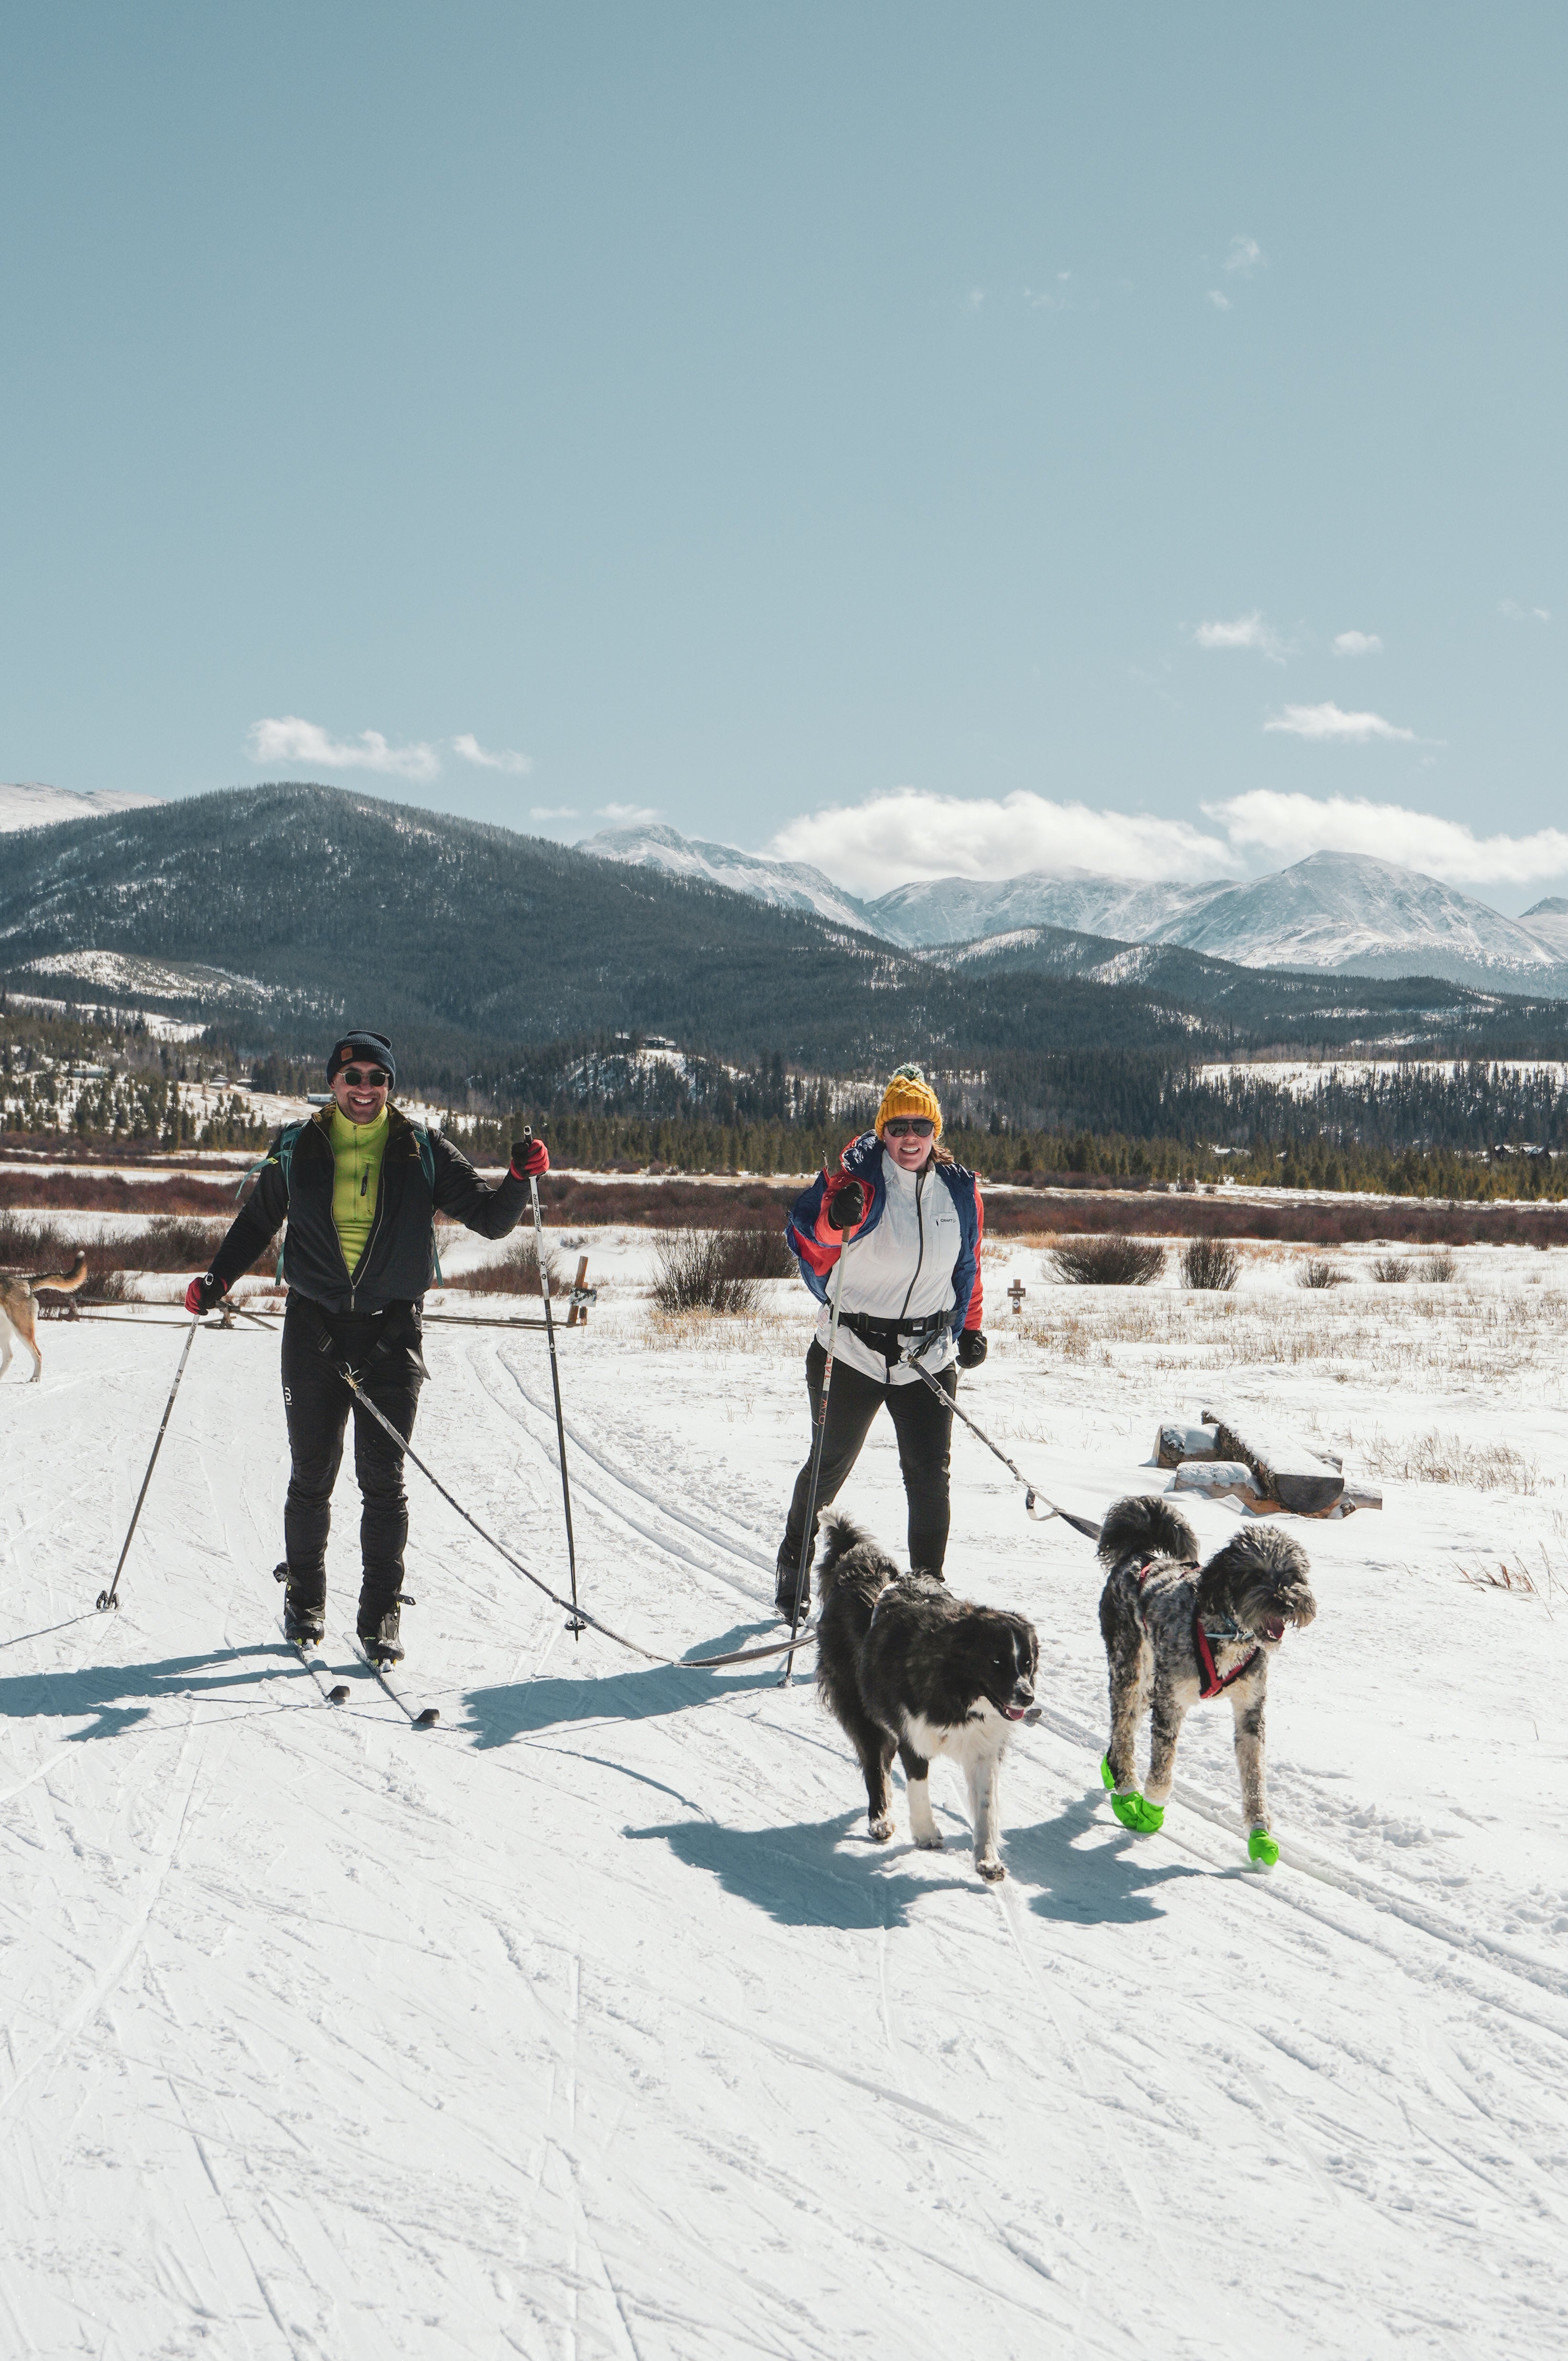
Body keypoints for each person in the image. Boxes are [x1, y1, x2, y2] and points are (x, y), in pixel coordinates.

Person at [185, 1029, 549, 1662]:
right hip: (313, 1332)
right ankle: (304, 1605)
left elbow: (491, 1219)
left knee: (384, 1481)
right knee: (312, 1475)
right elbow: (259, 1221)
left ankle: (380, 1616)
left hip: (392, 1335)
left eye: (377, 1079)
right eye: (353, 1077)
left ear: (391, 1086)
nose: (364, 1089)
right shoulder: (299, 1145)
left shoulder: (422, 1148)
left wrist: (518, 1178)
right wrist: (215, 1281)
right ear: (333, 1081)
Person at [776, 1063, 985, 1617]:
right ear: (882, 1131)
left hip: (926, 1358)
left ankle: (928, 1595)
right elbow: (813, 1234)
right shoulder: (859, 1182)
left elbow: (966, 1264)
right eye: (897, 1128)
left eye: (920, 1126)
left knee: (927, 1476)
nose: (909, 1138)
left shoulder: (958, 1191)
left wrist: (968, 1328)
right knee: (828, 1465)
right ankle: (792, 1566)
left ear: (935, 1131)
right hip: (852, 1352)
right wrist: (834, 1215)